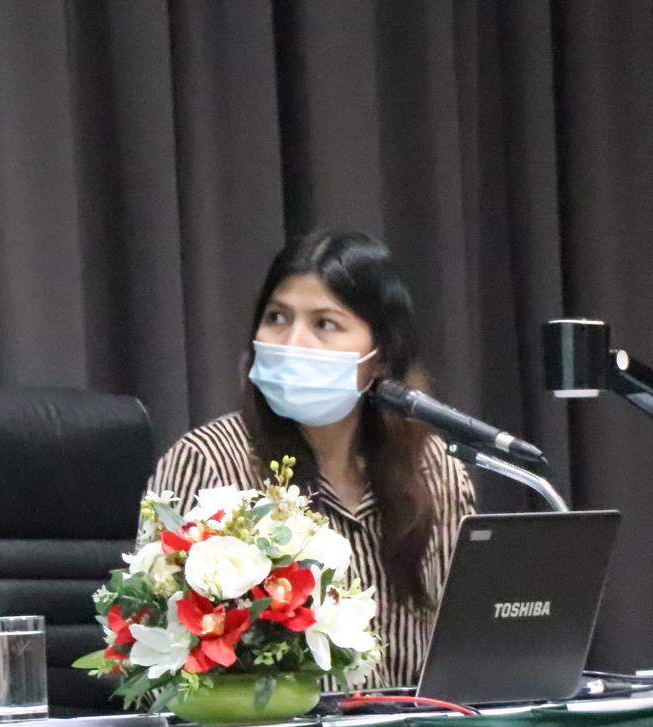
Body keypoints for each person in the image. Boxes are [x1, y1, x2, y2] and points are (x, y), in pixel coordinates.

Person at [142, 229, 477, 690]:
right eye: (277, 318)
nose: (292, 342)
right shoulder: (208, 462)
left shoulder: (436, 470)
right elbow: (158, 672)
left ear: (379, 358)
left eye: (325, 324)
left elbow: (473, 651)